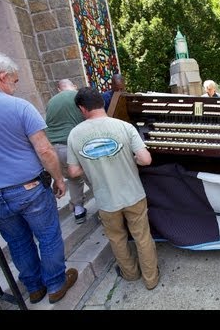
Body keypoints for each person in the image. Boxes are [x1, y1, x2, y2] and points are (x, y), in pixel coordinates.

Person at [0, 52, 78, 304]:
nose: (14, 87)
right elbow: (45, 150)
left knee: (17, 241)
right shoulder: (18, 106)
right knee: (48, 236)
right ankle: (55, 285)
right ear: (2, 76)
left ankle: (34, 287)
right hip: (28, 188)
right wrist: (59, 179)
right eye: (15, 81)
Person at [67, 87, 160, 290]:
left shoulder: (74, 135)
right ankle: (151, 279)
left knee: (117, 238)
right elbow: (145, 159)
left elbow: (73, 172)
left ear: (82, 108)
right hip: (133, 194)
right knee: (142, 236)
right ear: (102, 102)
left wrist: (92, 161)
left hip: (106, 199)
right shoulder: (124, 127)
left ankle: (130, 274)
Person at [45, 78, 90, 224]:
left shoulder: (51, 102)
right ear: (74, 86)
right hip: (77, 145)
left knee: (73, 178)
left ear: (58, 89)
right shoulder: (78, 96)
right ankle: (106, 211)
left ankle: (78, 210)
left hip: (57, 148)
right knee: (93, 178)